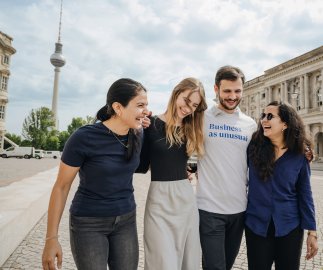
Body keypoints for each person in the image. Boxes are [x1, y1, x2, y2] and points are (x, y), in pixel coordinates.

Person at [42, 78, 149, 270]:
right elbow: (61, 186)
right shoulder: (84, 137)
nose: (146, 111)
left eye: (146, 105)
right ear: (118, 107)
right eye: (140, 105)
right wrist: (51, 239)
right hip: (88, 224)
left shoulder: (138, 134)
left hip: (126, 220)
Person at [137, 77, 207, 270]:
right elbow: (141, 166)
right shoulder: (149, 124)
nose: (188, 108)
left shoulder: (191, 128)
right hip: (159, 201)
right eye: (186, 101)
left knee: (188, 261)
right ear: (177, 93)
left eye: (194, 105)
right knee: (161, 261)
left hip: (185, 200)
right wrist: (137, 134)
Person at [196, 65, 257, 270]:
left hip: (239, 210)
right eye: (227, 91)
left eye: (237, 91)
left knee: (226, 265)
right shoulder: (201, 118)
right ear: (216, 89)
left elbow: (266, 155)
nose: (233, 96)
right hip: (209, 209)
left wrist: (301, 150)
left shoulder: (250, 124)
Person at [245, 101, 318, 270]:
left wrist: (312, 232)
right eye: (263, 115)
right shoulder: (252, 148)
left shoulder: (300, 156)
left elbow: (305, 194)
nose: (264, 119)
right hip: (256, 227)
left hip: (289, 228)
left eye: (270, 116)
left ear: (285, 123)